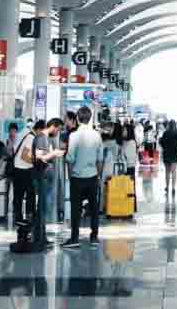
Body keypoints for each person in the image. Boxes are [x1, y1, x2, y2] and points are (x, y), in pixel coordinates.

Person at [64, 106, 103, 248]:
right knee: (94, 209)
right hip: (92, 176)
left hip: (77, 178)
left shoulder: (73, 136)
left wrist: (71, 177)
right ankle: (94, 237)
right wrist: (97, 176)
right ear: (90, 117)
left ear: (78, 119)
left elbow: (70, 159)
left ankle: (74, 239)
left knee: (76, 209)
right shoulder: (97, 135)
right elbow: (100, 159)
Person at [30, 119, 63, 249]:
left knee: (43, 208)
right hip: (41, 177)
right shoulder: (41, 138)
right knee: (42, 208)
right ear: (53, 126)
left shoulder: (45, 138)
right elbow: (39, 156)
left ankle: (41, 236)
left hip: (44, 177)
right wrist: (54, 153)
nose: (58, 132)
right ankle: (39, 237)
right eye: (58, 129)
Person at [12, 121, 37, 227]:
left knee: (18, 194)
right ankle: (29, 217)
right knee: (30, 194)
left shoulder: (21, 133)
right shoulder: (31, 137)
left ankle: (17, 217)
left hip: (16, 169)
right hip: (25, 170)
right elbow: (24, 156)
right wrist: (36, 162)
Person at [160, 121, 177, 196]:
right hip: (174, 154)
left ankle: (167, 187)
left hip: (166, 154)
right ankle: (173, 188)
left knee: (167, 171)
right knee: (174, 171)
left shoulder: (165, 133)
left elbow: (162, 142)